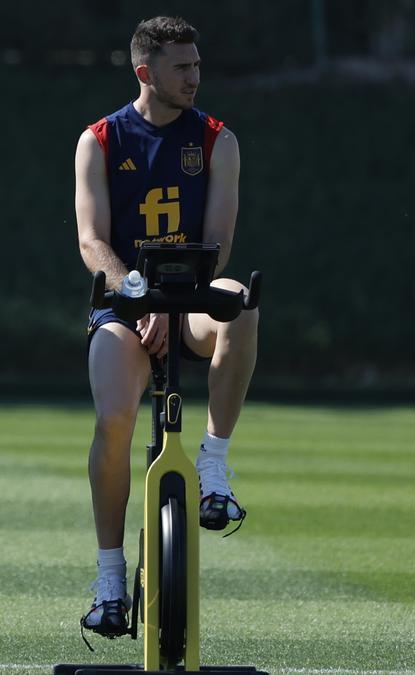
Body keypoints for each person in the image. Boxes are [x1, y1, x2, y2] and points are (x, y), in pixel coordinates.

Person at [73, 17, 259, 636]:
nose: (195, 77)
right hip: (125, 306)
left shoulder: (216, 140)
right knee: (113, 419)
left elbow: (219, 242)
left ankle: (213, 464)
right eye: (182, 67)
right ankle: (109, 581)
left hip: (189, 299)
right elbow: (92, 241)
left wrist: (175, 300)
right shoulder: (99, 139)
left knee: (240, 301)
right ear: (144, 72)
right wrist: (139, 293)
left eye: (198, 65)